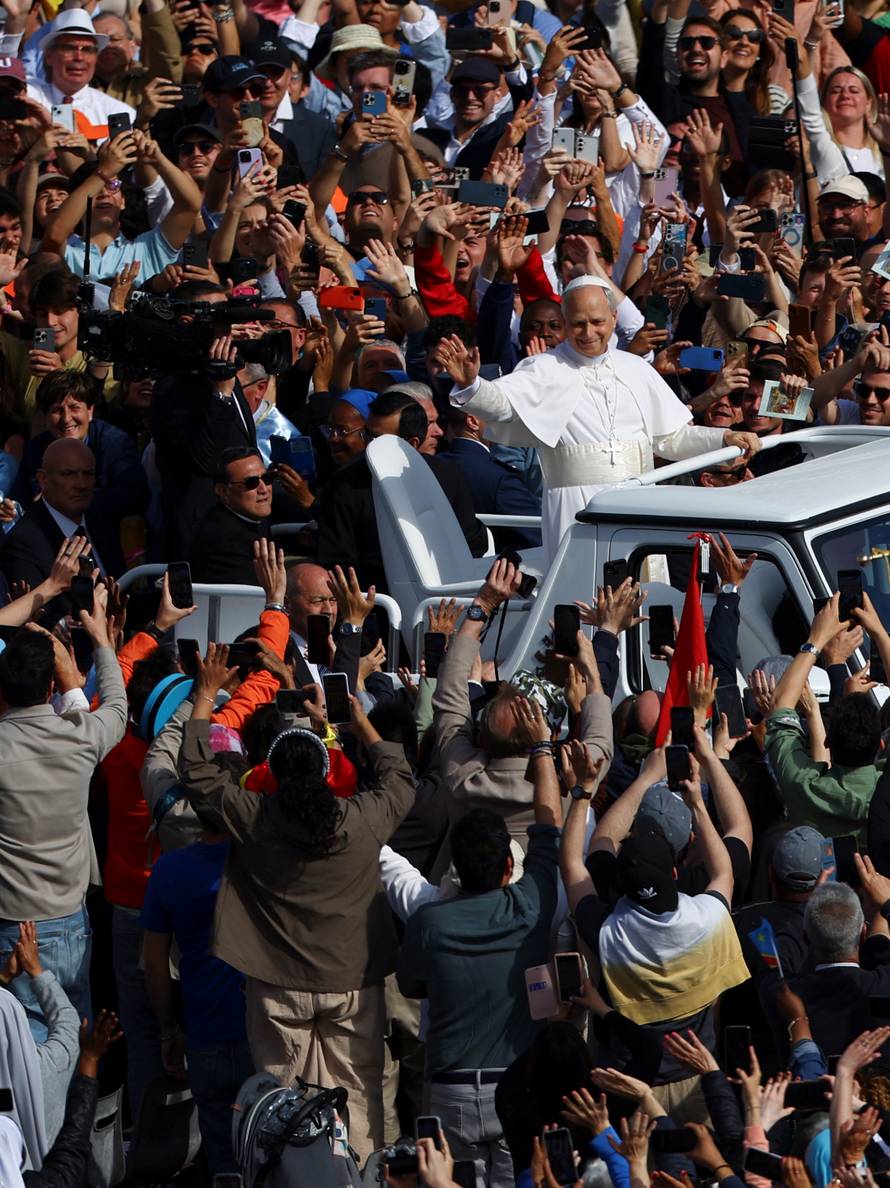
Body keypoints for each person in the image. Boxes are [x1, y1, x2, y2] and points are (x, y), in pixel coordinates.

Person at [178, 651, 414, 1164]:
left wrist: (204, 693)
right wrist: (358, 722)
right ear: (327, 769)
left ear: (272, 773)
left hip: (277, 985)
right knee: (358, 1099)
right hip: (353, 982)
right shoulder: (360, 819)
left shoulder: (253, 815)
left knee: (285, 1107)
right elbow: (399, 781)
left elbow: (196, 769)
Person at [397, 575, 566, 1187]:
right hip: (520, 1059)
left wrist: (481, 609)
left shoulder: (463, 776)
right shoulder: (560, 796)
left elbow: (447, 698)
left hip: (448, 1079)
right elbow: (593, 744)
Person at [434, 276, 761, 562]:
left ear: (614, 317)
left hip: (640, 501)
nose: (588, 332)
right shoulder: (544, 368)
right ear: (564, 321)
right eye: (577, 324)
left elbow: (671, 439)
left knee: (641, 601)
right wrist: (472, 385)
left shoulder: (636, 368)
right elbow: (504, 405)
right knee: (581, 600)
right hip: (577, 508)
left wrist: (723, 438)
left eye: (597, 322)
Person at [0, 583, 126, 1037]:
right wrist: (101, 647)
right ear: (51, 684)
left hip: (13, 928)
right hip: (72, 923)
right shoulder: (81, 736)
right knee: (70, 1045)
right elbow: (116, 705)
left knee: (23, 1061)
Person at [13, 371, 148, 521]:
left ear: (90, 411)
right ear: (45, 417)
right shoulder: (36, 448)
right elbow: (20, 497)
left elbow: (135, 496)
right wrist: (11, 509)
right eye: (56, 410)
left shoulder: (115, 443)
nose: (66, 419)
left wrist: (71, 497)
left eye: (74, 407)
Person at [0, 439, 125, 590]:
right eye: (68, 474)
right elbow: (39, 611)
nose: (81, 484)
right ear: (43, 479)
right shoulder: (22, 543)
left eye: (88, 474)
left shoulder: (102, 521)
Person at [188, 447, 273, 586]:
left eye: (267, 478)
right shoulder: (226, 540)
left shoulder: (249, 518)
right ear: (223, 491)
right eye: (251, 483)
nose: (263, 489)